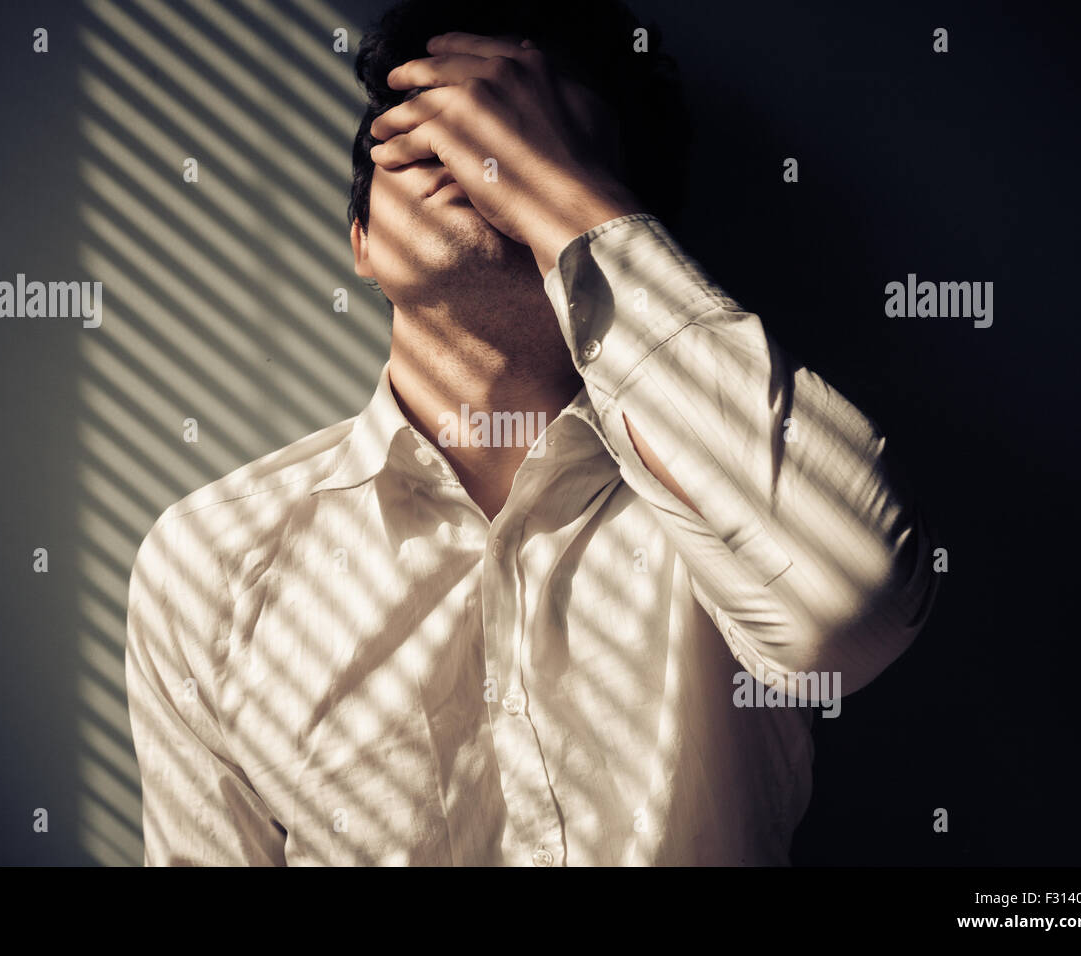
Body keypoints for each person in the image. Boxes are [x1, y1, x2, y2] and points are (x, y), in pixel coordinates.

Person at [125, 0, 939, 866]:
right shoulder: (208, 563)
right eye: (423, 127)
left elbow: (854, 611)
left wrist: (560, 194)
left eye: (518, 127)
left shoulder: (726, 503)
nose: (471, 152)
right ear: (360, 241)